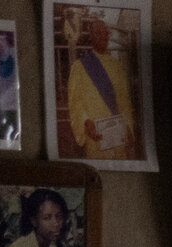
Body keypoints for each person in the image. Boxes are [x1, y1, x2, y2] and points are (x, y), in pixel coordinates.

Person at [65, 12, 136, 160]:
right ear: (91, 36)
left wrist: (128, 127)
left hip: (117, 135)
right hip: (95, 134)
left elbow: (124, 100)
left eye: (106, 33)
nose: (103, 36)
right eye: (98, 32)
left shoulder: (117, 66)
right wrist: (85, 122)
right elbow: (75, 101)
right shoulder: (79, 67)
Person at [0, 188, 75, 247]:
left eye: (59, 216)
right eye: (47, 218)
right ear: (34, 221)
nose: (56, 223)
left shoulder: (56, 246)